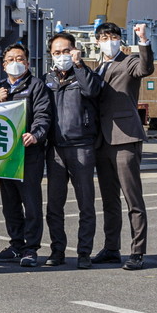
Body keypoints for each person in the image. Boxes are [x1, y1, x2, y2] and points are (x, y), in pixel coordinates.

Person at [91, 22, 153, 271]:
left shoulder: (129, 61)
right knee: (109, 199)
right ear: (97, 42)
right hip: (102, 140)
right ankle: (111, 247)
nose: (109, 40)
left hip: (125, 137)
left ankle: (137, 251)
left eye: (113, 36)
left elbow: (145, 68)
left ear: (120, 39)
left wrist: (144, 40)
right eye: (104, 37)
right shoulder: (97, 67)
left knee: (132, 198)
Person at [0, 43, 52, 267]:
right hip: (6, 156)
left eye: (20, 58)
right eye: (11, 59)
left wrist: (35, 134)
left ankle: (30, 248)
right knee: (10, 204)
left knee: (31, 203)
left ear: (28, 62)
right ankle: (16, 244)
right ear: (4, 65)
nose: (16, 62)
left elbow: (43, 115)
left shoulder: (36, 86)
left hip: (29, 154)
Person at [43, 32, 102, 269]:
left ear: (75, 50)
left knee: (85, 204)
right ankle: (57, 251)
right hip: (56, 149)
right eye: (56, 53)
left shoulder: (85, 74)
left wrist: (79, 64)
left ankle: (84, 253)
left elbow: (93, 91)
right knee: (54, 205)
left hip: (82, 148)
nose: (61, 56)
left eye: (66, 51)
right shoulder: (47, 79)